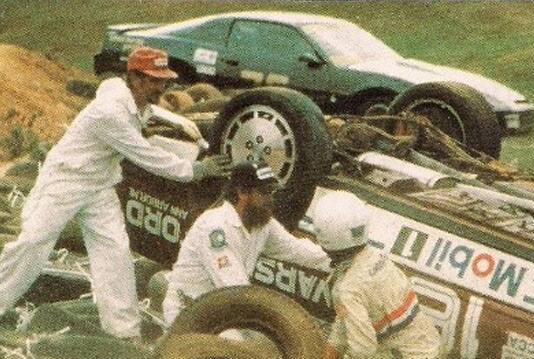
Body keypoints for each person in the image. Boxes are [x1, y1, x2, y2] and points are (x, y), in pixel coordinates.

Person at [0, 46, 231, 340]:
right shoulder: (109, 113)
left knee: (115, 251)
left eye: (164, 81)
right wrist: (195, 170)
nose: (160, 88)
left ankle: (123, 330)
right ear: (133, 78)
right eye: (153, 81)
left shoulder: (131, 99)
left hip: (99, 185)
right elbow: (145, 154)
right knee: (33, 242)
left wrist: (191, 131)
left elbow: (154, 115)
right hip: (66, 180)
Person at [162, 162, 330, 325]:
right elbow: (235, 287)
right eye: (264, 192)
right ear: (242, 192)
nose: (271, 199)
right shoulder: (215, 228)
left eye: (272, 192)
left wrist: (341, 261)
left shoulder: (262, 223)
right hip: (188, 313)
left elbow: (296, 250)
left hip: (221, 311)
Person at [313, 190, 444, 359]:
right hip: (430, 348)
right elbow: (346, 319)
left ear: (324, 238)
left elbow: (363, 350)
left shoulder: (348, 288)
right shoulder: (376, 257)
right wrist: (332, 349)